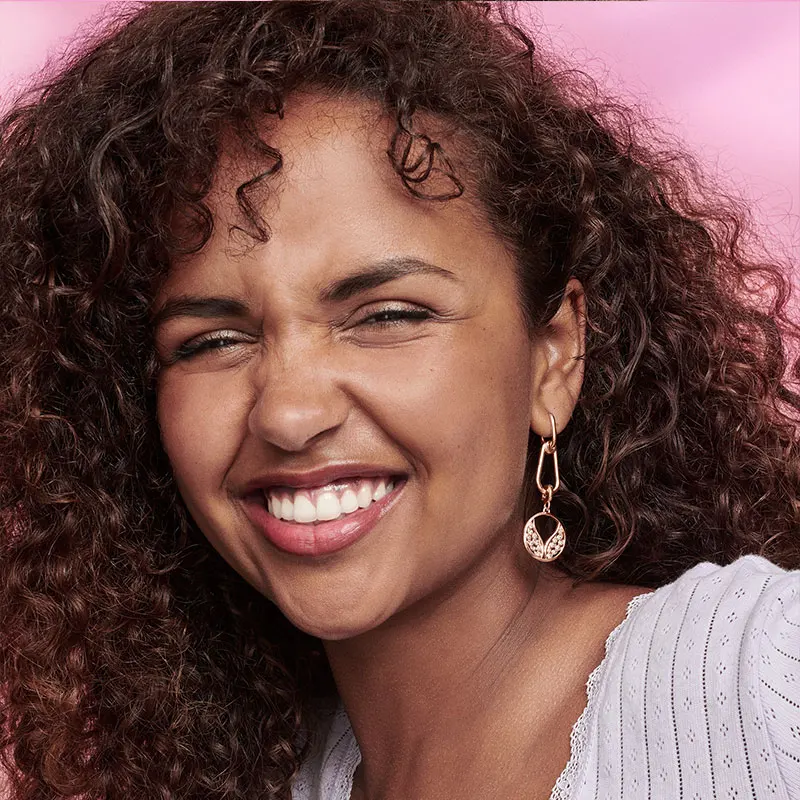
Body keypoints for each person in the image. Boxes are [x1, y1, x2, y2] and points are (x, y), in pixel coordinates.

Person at [0, 2, 798, 798]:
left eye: (387, 316)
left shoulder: (755, 677)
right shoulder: (243, 779)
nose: (288, 413)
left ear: (554, 356)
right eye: (211, 341)